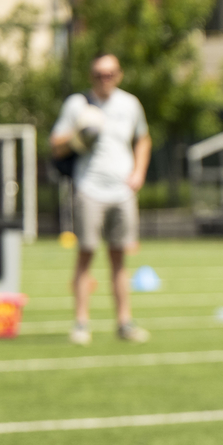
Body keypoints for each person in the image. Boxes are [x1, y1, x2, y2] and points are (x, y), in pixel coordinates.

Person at [50, 53, 152, 345]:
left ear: (118, 75)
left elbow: (143, 138)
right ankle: (81, 324)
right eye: (99, 74)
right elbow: (55, 146)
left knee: (120, 257)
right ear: (91, 75)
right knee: (86, 255)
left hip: (122, 191)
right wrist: (79, 134)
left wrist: (139, 172)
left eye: (110, 74)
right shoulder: (77, 104)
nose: (104, 79)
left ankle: (125, 323)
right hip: (89, 189)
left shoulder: (130, 103)